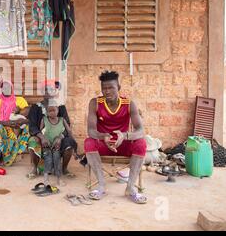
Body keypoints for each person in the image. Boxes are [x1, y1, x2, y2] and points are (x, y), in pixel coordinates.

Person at [84, 70, 147, 204]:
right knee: (89, 142)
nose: (107, 91)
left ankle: (130, 188)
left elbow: (141, 130)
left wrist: (125, 135)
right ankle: (101, 186)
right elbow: (91, 131)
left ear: (118, 87)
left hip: (122, 144)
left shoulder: (129, 104)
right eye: (104, 88)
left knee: (141, 143)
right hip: (104, 143)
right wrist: (103, 136)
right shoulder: (95, 103)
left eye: (111, 88)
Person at [27, 80, 78, 179]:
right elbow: (32, 126)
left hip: (58, 138)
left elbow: (67, 125)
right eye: (46, 90)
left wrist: (60, 137)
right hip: (42, 138)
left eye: (51, 89)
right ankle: (35, 168)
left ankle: (64, 169)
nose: (49, 92)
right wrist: (42, 137)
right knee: (33, 140)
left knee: (69, 142)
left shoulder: (61, 107)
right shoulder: (35, 107)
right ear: (42, 92)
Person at [0, 80, 30, 166]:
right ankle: (0, 156)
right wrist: (9, 123)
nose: (6, 89)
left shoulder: (20, 100)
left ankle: (15, 154)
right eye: (4, 87)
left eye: (8, 87)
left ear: (12, 88)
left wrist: (19, 112)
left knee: (27, 127)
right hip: (4, 127)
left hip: (18, 127)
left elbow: (29, 114)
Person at [40, 104, 75, 186]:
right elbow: (40, 132)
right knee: (48, 158)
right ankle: (46, 179)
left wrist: (73, 142)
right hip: (47, 145)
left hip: (57, 146)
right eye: (49, 111)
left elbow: (69, 131)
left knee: (57, 158)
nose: (52, 113)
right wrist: (44, 139)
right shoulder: (44, 120)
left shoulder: (62, 120)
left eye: (54, 110)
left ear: (58, 111)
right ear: (47, 113)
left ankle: (59, 178)